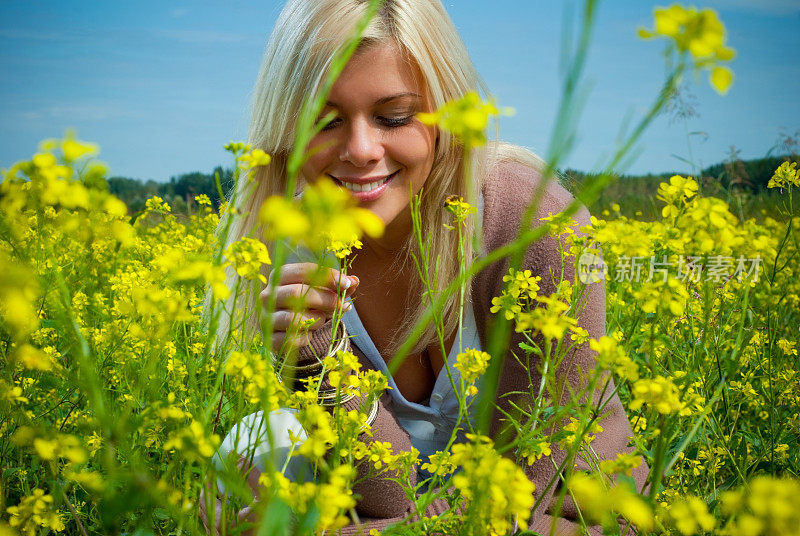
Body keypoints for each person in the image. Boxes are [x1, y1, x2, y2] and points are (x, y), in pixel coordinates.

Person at [203, 0, 646, 534]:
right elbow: (386, 496)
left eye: (394, 117)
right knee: (246, 461)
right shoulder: (294, 241)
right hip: (383, 501)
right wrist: (319, 352)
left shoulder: (537, 226)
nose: (362, 149)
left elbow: (515, 503)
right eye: (325, 121)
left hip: (549, 507)